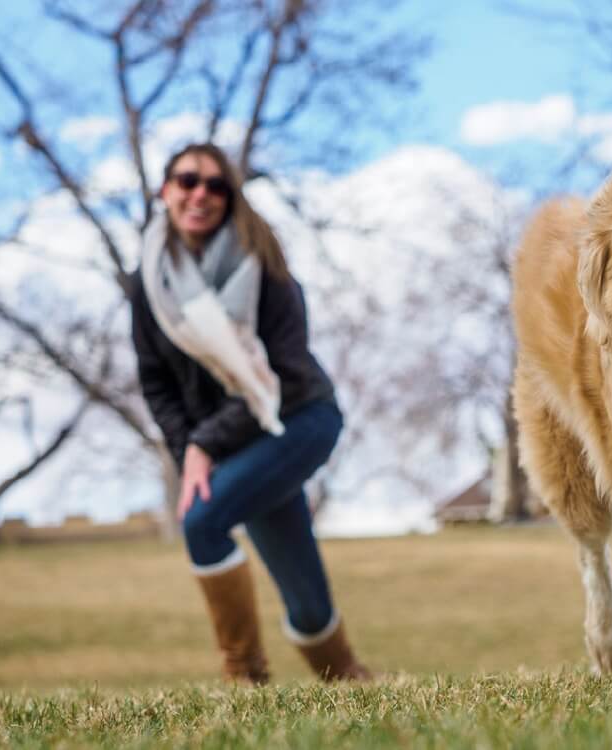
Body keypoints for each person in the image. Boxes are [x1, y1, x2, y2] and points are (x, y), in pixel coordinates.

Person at [130, 143, 369, 684]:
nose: (200, 194)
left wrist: (204, 445)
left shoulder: (265, 266)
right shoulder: (149, 283)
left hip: (301, 420)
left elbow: (283, 378)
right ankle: (350, 681)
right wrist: (191, 447)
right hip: (236, 441)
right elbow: (156, 381)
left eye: (216, 186)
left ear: (231, 199)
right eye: (188, 180)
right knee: (306, 602)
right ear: (165, 190)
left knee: (203, 522)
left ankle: (244, 678)